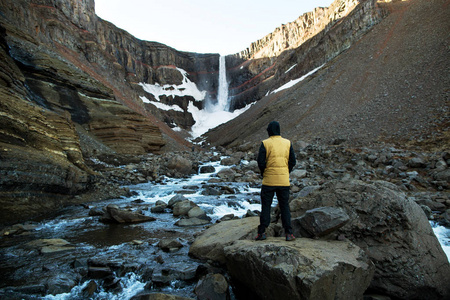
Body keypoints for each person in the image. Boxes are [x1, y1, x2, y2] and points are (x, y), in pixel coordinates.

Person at [255, 121, 296, 241]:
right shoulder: (287, 143)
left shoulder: (265, 143)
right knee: (284, 207)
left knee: (266, 207)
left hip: (269, 181)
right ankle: (289, 234)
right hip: (283, 181)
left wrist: (264, 173)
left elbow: (261, 162)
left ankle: (262, 233)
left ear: (269, 130)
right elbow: (292, 161)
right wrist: (286, 171)